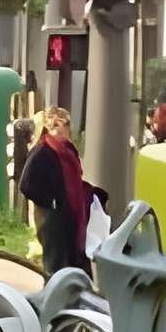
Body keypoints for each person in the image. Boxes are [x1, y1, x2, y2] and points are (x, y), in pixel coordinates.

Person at [21, 103, 102, 276]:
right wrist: (52, 201)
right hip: (53, 222)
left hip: (73, 218)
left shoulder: (68, 150)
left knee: (77, 270)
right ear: (48, 127)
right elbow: (26, 185)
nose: (62, 130)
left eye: (64, 125)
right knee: (56, 271)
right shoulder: (42, 151)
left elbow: (74, 181)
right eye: (56, 125)